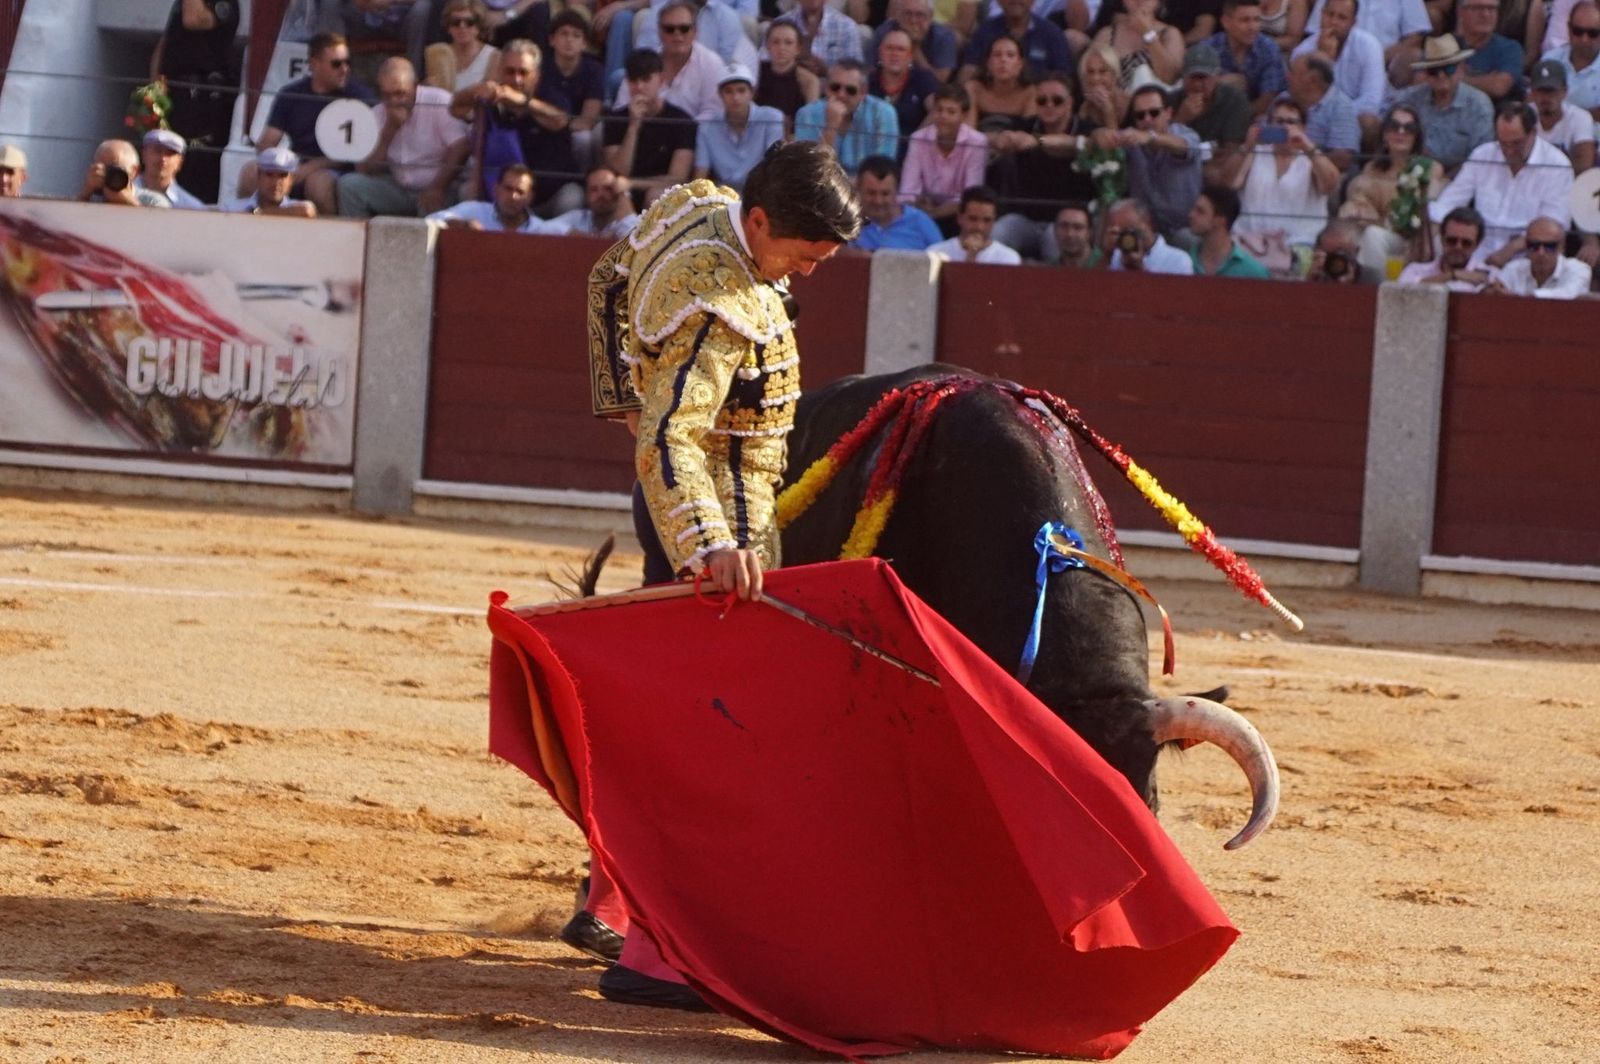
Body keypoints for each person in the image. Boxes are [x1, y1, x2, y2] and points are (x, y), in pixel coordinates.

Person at [250, 33, 378, 217]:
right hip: (297, 164)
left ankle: (329, 233)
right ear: (314, 64)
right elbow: (269, 140)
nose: (344, 69)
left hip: (340, 169)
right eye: (336, 64)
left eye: (347, 62)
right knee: (250, 174)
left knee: (317, 183)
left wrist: (313, 166)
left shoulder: (359, 97)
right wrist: (277, 167)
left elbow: (357, 151)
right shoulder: (291, 94)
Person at [1429, 99, 1574, 261]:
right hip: (1476, 249)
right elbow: (1449, 203)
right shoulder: (1482, 155)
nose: (1509, 151)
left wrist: (1509, 251)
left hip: (1527, 254)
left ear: (1533, 132)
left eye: (1516, 143)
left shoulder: (1557, 165)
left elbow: (1553, 223)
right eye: (1503, 143)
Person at [454, 39, 586, 214]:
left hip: (550, 195)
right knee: (466, 191)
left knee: (572, 198)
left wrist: (521, 101)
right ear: (500, 71)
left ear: (536, 75)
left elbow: (559, 120)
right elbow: (456, 108)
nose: (516, 79)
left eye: (523, 72)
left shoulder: (552, 97)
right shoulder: (494, 99)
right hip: (504, 195)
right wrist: (478, 89)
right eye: (510, 71)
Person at [338, 57, 473, 218]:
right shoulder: (378, 113)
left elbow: (460, 147)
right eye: (387, 95)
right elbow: (365, 169)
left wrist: (438, 187)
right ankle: (358, 233)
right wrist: (390, 131)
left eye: (400, 93)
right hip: (399, 187)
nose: (394, 101)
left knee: (429, 207)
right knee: (349, 185)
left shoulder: (438, 101)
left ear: (415, 87)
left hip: (442, 185)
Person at [989, 71, 1099, 260]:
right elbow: (996, 137)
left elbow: (1083, 143)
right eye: (1042, 101)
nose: (1049, 105)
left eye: (1057, 100)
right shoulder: (1025, 125)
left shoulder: (1086, 128)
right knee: (997, 233)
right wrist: (1003, 139)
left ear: (1070, 103)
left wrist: (1037, 141)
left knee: (1057, 244)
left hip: (1064, 221)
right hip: (1025, 218)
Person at [1226, 97, 1340, 264]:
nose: (1285, 127)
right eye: (1279, 121)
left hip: (1297, 247)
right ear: (1269, 124)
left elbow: (1331, 184)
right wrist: (1246, 146)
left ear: (1303, 127)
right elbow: (1228, 182)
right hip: (1248, 242)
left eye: (1291, 122)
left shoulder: (1312, 159)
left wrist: (1306, 145)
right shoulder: (1254, 152)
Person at [1340, 103, 1448, 277]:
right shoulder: (1372, 169)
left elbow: (1425, 212)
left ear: (1416, 137)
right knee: (1364, 234)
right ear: (1384, 134)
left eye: (1409, 128)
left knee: (1374, 235)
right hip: (1386, 234)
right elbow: (1363, 207)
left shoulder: (1431, 168)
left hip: (1417, 239)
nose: (1401, 132)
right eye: (1394, 126)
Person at [151, 0, 240, 204]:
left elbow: (193, 19)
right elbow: (168, 38)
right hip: (173, 94)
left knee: (195, 165)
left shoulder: (225, 4)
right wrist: (154, 88)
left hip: (203, 98)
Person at [1104, 83, 1204, 239]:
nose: (1147, 119)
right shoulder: (1132, 140)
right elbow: (1110, 144)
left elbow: (1183, 147)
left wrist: (1150, 137)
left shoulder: (1186, 134)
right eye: (1140, 115)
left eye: (1154, 113)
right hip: (1145, 232)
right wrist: (1100, 132)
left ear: (1168, 113)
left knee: (1184, 237)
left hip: (1185, 228)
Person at [602, 49, 698, 207]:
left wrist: (632, 183)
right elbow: (619, 172)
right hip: (624, 192)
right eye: (633, 80)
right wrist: (633, 126)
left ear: (661, 80)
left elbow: (678, 177)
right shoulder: (615, 119)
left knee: (656, 196)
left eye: (646, 79)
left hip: (659, 194)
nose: (639, 86)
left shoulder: (681, 121)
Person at [1392, 33, 1495, 173]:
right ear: (1425, 73)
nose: (1441, 75)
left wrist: (1447, 179)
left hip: (1465, 178)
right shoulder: (1409, 100)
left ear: (1462, 68)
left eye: (1449, 68)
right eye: (1434, 71)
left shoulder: (1479, 105)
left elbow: (1480, 158)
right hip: (1414, 173)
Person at [902, 85, 990, 233]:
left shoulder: (977, 142)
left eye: (951, 112)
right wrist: (919, 204)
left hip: (958, 218)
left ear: (964, 115)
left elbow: (970, 196)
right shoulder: (918, 139)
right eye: (939, 110)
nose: (943, 116)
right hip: (920, 212)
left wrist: (933, 214)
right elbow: (907, 191)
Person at [1292, 0, 1387, 138]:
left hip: (1354, 118)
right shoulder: (1302, 52)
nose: (1334, 22)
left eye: (1342, 18)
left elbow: (1371, 101)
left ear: (1353, 22)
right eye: (1330, 15)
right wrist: (1324, 59)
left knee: (1369, 122)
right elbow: (1302, 99)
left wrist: (1338, 117)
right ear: (1321, 14)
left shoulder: (1369, 46)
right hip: (1315, 119)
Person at [794, 60, 902, 175]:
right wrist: (831, 126)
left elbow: (881, 171)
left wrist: (844, 184)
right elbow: (811, 169)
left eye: (850, 90)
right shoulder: (807, 114)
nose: (841, 94)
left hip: (864, 185)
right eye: (835, 87)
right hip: (823, 183)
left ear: (863, 92)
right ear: (826, 88)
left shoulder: (883, 113)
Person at [694, 64, 786, 190]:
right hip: (722, 195)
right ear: (720, 94)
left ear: (752, 92)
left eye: (741, 90)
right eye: (728, 91)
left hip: (761, 193)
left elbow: (774, 165)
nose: (735, 97)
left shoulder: (772, 118)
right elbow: (701, 173)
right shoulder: (707, 126)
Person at [537, 11, 606, 177]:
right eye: (564, 34)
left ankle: (590, 177)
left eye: (576, 35)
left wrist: (563, 124)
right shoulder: (540, 69)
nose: (569, 40)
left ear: (584, 44)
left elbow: (588, 120)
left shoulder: (594, 70)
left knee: (586, 137)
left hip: (578, 131)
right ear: (552, 40)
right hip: (546, 129)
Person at [1174, 42, 1252, 183]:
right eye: (1193, 77)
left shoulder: (1234, 101)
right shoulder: (1172, 100)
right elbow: (1164, 149)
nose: (1197, 84)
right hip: (1180, 173)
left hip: (1218, 176)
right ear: (1183, 77)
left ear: (1217, 76)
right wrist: (1181, 119)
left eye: (1203, 77)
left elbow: (1232, 150)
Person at [1305, 0, 1430, 86]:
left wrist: (1375, 59)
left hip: (1387, 65)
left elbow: (1416, 36)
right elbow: (1315, 32)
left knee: (1414, 55)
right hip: (1337, 60)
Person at [958, 0, 1074, 84]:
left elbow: (1064, 78)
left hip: (1038, 103)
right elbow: (969, 69)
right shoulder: (985, 31)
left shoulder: (1052, 34)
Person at [1206, 0, 1288, 112]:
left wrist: (1237, 117)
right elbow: (1197, 90)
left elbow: (1268, 98)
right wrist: (1219, 83)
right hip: (1214, 112)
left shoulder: (1268, 48)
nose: (1252, 27)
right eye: (1245, 20)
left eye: (1256, 20)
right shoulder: (1209, 49)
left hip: (1256, 115)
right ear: (1226, 22)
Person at [851, 153, 944, 250]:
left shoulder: (920, 222)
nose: (878, 201)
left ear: (897, 191)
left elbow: (943, 257)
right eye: (871, 193)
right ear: (858, 189)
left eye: (885, 194)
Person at [870, 27, 944, 148]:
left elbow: (937, 110)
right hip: (873, 147)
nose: (894, 54)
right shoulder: (868, 81)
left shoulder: (923, 79)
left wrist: (915, 140)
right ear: (880, 53)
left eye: (901, 49)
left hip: (913, 150)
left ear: (910, 56)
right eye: (889, 48)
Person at [1488, 214, 1595, 295]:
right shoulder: (1514, 269)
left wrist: (1518, 298)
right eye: (1534, 245)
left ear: (1561, 248)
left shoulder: (1578, 269)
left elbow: (1568, 295)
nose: (1541, 253)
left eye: (1549, 246)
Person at [1396, 204, 1496, 289]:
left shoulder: (1489, 276)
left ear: (1477, 245)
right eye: (1452, 241)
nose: (1458, 247)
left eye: (1466, 243)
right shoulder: (1415, 271)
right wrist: (1453, 275)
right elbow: (1403, 292)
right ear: (1442, 239)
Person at [1091, 0, 1185, 90]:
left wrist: (1147, 33)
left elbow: (1170, 78)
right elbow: (1090, 76)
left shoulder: (1170, 33)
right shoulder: (1107, 34)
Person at [426, 162, 553, 228]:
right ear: (496, 189)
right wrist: (462, 225)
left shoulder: (539, 229)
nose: (513, 196)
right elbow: (432, 219)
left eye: (520, 192)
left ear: (530, 197)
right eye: (508, 189)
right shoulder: (475, 211)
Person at [317, 0, 434, 72]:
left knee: (423, 7)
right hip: (361, 16)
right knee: (330, 2)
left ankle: (413, 75)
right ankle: (333, 68)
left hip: (400, 22)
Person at [1188, 184, 1271, 276]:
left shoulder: (1253, 272)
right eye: (1193, 209)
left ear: (1220, 221)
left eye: (1200, 211)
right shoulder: (1183, 261)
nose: (1191, 215)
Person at [1529, 59, 1597, 171]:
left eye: (1551, 91)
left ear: (1564, 91)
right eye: (1541, 91)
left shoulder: (1580, 117)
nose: (1545, 97)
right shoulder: (1523, 116)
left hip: (1568, 179)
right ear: (1532, 92)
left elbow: (1584, 164)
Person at [929, 185, 1026, 263]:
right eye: (973, 219)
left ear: (994, 221)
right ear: (960, 218)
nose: (979, 227)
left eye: (987, 220)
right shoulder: (936, 253)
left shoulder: (1007, 258)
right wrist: (971, 255)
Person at [869, 0, 959, 82]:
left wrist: (915, 49)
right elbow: (871, 69)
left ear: (930, 17)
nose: (913, 20)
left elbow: (940, 80)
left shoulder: (944, 36)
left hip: (926, 89)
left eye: (920, 15)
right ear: (899, 16)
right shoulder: (885, 31)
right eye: (908, 14)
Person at [424, 0, 503, 92]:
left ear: (479, 26)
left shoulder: (494, 56)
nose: (462, 26)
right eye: (455, 22)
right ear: (448, 27)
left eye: (469, 22)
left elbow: (488, 93)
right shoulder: (438, 54)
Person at [1455, 0, 1524, 103]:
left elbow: (1499, 87)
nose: (1486, 14)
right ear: (1460, 11)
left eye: (1491, 8)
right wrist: (1486, 80)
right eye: (1478, 8)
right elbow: (1428, 81)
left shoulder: (1510, 48)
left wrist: (1457, 79)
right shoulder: (1446, 45)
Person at [772, 0, 865, 76]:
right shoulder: (780, 25)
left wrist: (827, 71)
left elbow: (856, 73)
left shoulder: (846, 26)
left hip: (832, 88)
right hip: (790, 86)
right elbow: (767, 67)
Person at [757, 21, 822, 129]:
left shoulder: (809, 81)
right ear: (768, 46)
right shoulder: (757, 72)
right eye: (775, 42)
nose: (781, 47)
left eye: (788, 42)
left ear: (798, 48)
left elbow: (810, 121)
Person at [1541, 0, 1600, 118]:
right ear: (1569, 29)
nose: (1584, 39)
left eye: (1592, 33)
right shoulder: (1550, 60)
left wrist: (1565, 117)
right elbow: (1535, 101)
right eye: (1578, 31)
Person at [1103, 196, 1195, 271]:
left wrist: (1137, 267)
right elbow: (1098, 284)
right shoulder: (1117, 255)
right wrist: (1107, 254)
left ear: (1147, 223)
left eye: (1129, 228)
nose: (1127, 236)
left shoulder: (1178, 260)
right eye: (1120, 232)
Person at [548, 164, 642, 237]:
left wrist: (624, 194)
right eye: (594, 189)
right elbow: (543, 227)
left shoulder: (624, 221)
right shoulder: (579, 217)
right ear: (587, 195)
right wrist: (575, 234)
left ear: (617, 192)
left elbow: (636, 236)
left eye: (608, 189)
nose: (601, 195)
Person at [969, 35, 1038, 133]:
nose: (1003, 60)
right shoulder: (974, 89)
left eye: (1010, 55)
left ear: (1020, 64)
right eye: (997, 55)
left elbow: (1028, 136)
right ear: (988, 63)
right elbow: (968, 132)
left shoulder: (1031, 92)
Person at [224, 146, 318, 216]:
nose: (276, 181)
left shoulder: (299, 210)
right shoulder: (230, 208)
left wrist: (258, 213)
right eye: (269, 174)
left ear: (291, 180)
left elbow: (308, 210)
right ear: (259, 176)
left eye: (282, 175)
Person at [79, 139, 168, 207]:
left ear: (134, 171)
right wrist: (85, 194)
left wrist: (131, 203)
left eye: (115, 169)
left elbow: (158, 224)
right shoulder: (93, 198)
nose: (108, 174)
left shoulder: (153, 202)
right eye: (103, 169)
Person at [134, 129, 208, 210]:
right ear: (144, 155)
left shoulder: (191, 207)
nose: (163, 159)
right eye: (157, 151)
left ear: (179, 162)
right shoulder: (125, 193)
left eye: (170, 154)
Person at [1077, 41, 1130, 128]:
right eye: (1090, 72)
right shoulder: (1084, 108)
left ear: (1114, 75)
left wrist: (1108, 111)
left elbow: (1115, 136)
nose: (1095, 78)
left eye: (1102, 71)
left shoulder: (1129, 105)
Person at [1306, 216, 1365, 280]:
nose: (1334, 261)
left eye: (1341, 255)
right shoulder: (1313, 273)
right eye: (1328, 255)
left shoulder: (1370, 278)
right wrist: (1310, 280)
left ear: (1356, 252)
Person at [1051, 202, 1102, 266]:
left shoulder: (1107, 264)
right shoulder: (1049, 268)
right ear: (1055, 230)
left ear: (1089, 233)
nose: (1070, 234)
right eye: (1064, 226)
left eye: (1078, 227)